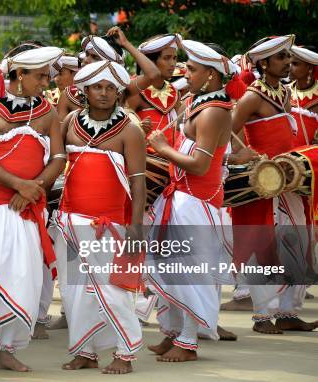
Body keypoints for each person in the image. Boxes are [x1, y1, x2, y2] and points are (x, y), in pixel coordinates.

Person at [0, 45, 65, 374]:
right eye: (41, 76)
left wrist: (35, 187)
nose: (46, 82)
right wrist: (19, 185)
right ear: (20, 74)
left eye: (48, 75)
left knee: (25, 280)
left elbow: (59, 158)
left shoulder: (48, 111)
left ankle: (8, 349)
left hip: (30, 210)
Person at [146, 40, 237, 362]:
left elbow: (199, 165)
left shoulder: (213, 112)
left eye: (194, 69)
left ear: (212, 75)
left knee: (188, 274)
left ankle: (188, 342)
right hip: (181, 200)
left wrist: (161, 148)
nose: (187, 72)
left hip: (195, 202)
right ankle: (172, 334)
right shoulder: (200, 104)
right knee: (171, 270)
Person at [54, 60, 146, 374]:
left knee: (112, 291)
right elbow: (55, 163)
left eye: (110, 88)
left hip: (108, 225)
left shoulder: (130, 130)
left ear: (118, 92)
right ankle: (85, 351)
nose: (104, 93)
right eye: (97, 87)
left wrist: (135, 226)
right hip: (69, 220)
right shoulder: (68, 121)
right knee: (73, 290)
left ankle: (126, 351)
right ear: (85, 90)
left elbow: (138, 181)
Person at [231, 35, 316, 333]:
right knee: (264, 245)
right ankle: (263, 316)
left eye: (289, 57)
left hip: (288, 183)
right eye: (281, 58)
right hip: (263, 183)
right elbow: (227, 130)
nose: (288, 63)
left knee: (298, 242)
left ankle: (288, 312)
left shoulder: (284, 92)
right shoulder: (252, 96)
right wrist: (243, 157)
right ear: (263, 63)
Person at [128, 34, 182, 150]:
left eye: (174, 58)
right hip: (146, 163)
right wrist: (139, 127)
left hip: (171, 161)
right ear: (150, 61)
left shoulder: (175, 92)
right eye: (167, 58)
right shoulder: (133, 90)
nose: (173, 63)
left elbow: (180, 129)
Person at [57, 35, 125, 120]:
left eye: (95, 57)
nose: (86, 60)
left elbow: (147, 75)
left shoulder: (124, 92)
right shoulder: (68, 94)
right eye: (87, 54)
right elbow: (59, 132)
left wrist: (127, 45)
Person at [288, 45, 318, 146]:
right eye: (289, 62)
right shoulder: (283, 92)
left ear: (309, 67)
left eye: (295, 64)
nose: (289, 67)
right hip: (285, 156)